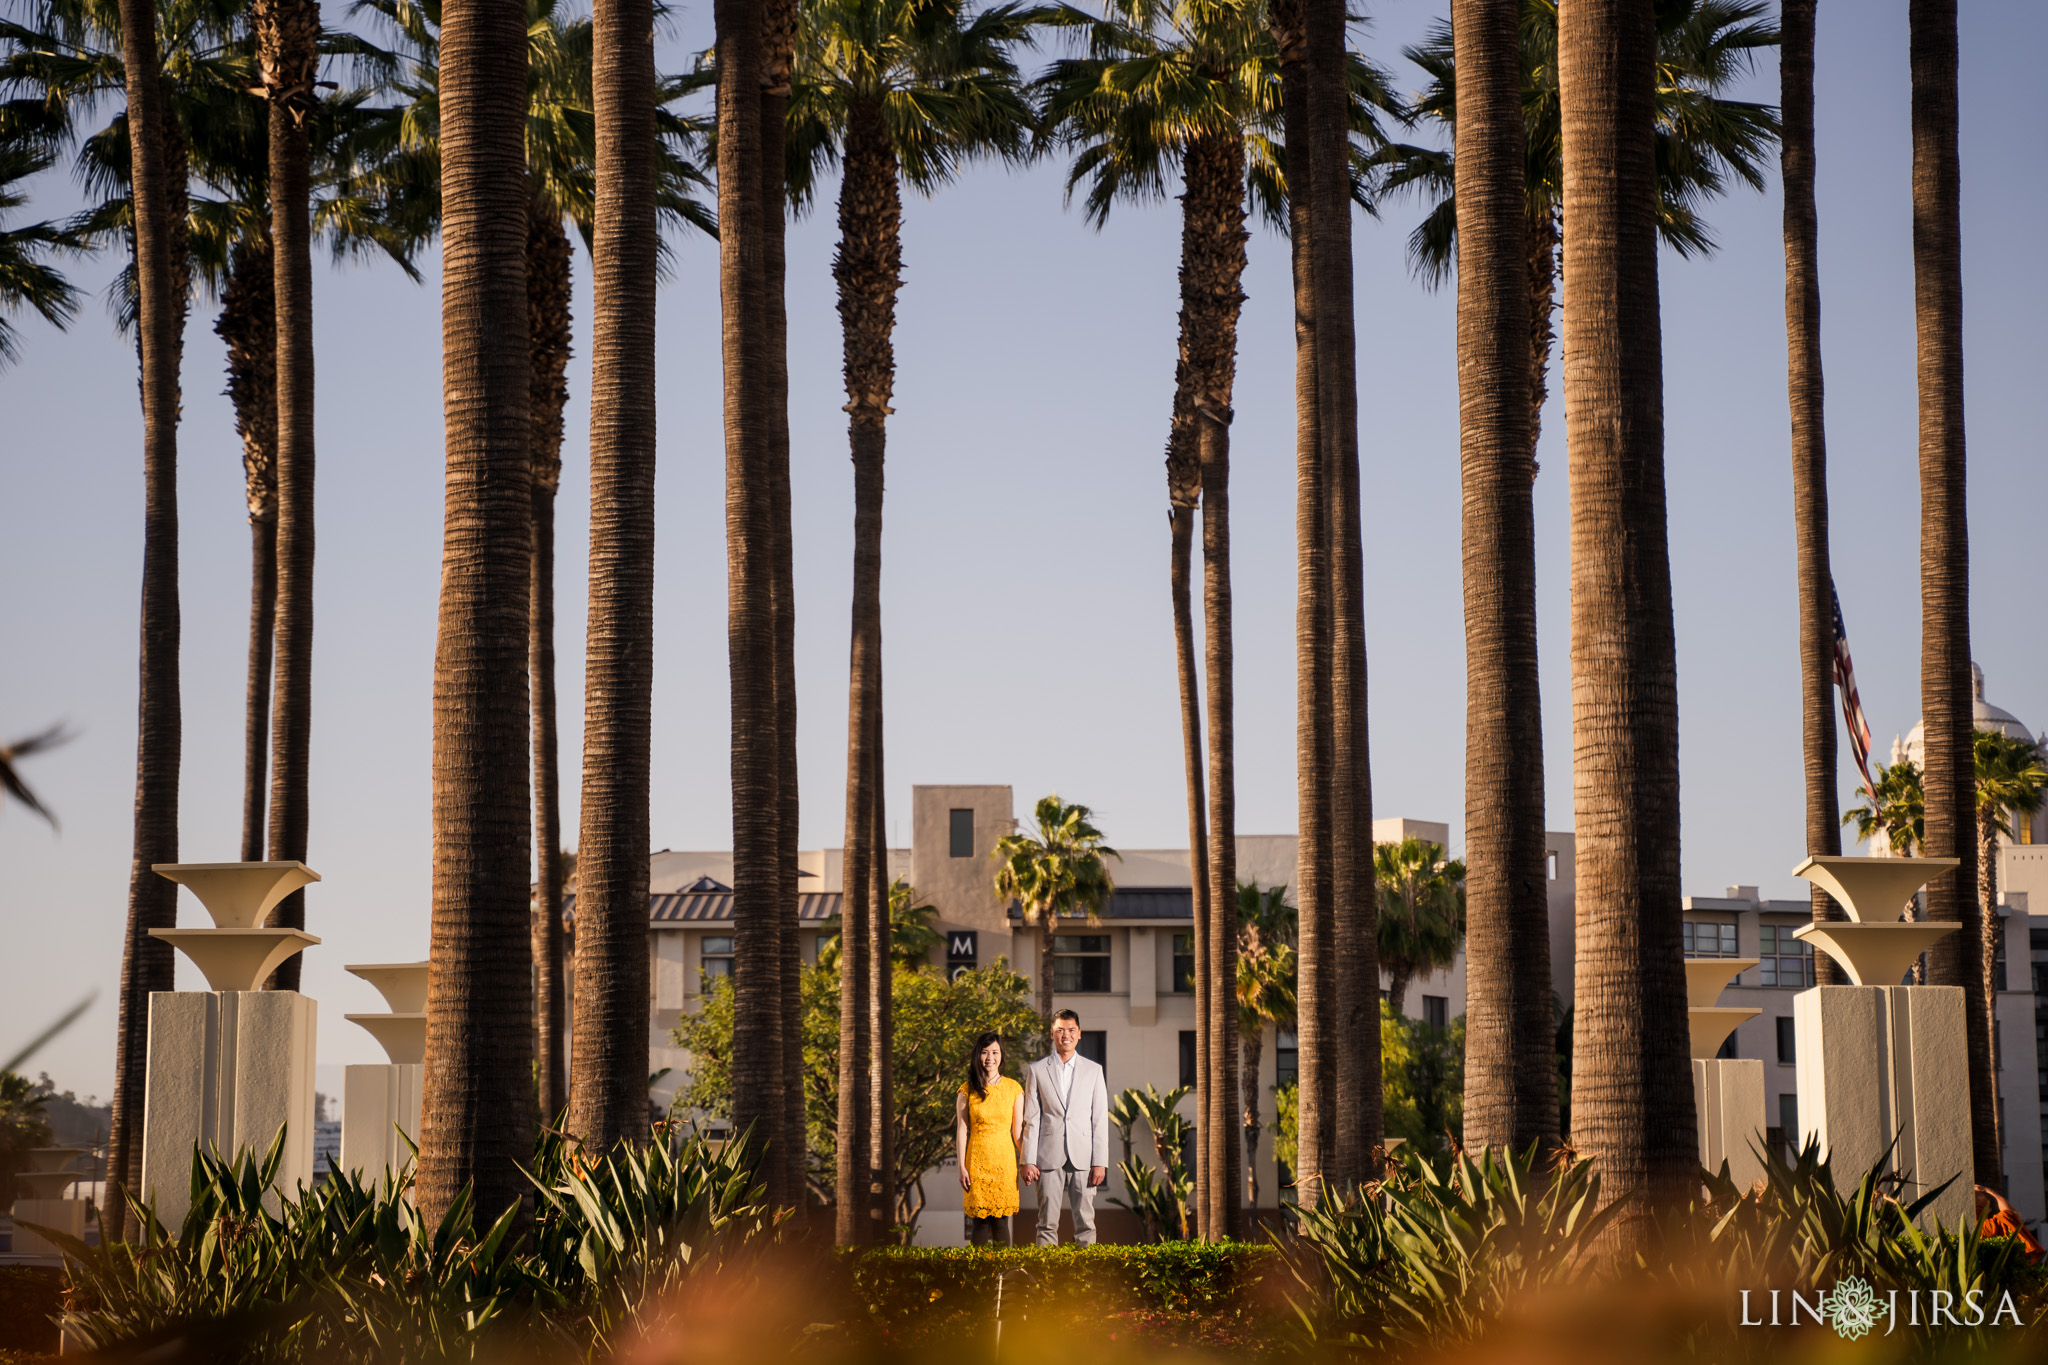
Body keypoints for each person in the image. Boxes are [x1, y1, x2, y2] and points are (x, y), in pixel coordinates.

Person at [1019, 1008, 1109, 1245]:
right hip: (1048, 1157)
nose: (1065, 1034)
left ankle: (1086, 1279)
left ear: (1079, 1033)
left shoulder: (1094, 1071)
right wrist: (1027, 1159)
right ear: (1052, 1034)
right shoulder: (1036, 1070)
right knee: (1046, 1224)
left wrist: (1100, 1161)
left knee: (1086, 1225)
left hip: (1084, 1159)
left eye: (1070, 1030)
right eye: (1060, 1030)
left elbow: (1099, 1118)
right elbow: (1032, 1117)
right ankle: (1046, 1279)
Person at [955, 1031, 1025, 1246]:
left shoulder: (1014, 1089)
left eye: (995, 1052)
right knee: (979, 1222)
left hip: (1004, 1163)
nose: (990, 1058)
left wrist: (1027, 1161)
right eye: (984, 1052)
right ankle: (979, 1277)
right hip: (976, 1163)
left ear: (1001, 1055)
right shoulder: (967, 1090)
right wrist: (961, 1166)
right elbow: (961, 1130)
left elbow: (1018, 1132)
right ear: (977, 1056)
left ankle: (1003, 1277)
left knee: (1001, 1222)